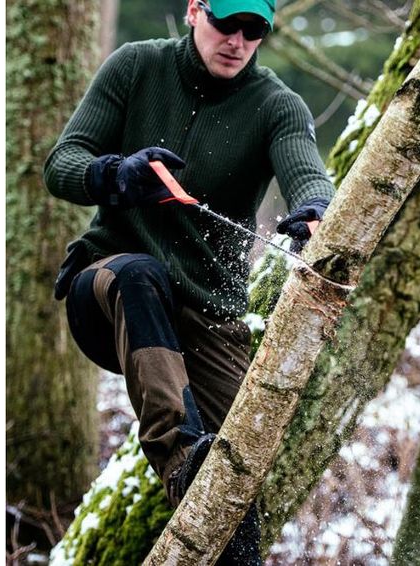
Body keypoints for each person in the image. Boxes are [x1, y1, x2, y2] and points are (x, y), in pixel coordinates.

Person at [43, 0, 335, 562]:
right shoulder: (135, 66)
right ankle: (179, 459)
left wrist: (317, 208)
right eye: (228, 24)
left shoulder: (277, 104)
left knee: (238, 475)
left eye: (255, 31)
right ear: (194, 11)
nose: (239, 41)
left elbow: (306, 169)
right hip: (106, 289)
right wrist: (115, 175)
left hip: (208, 317)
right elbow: (62, 163)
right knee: (139, 274)